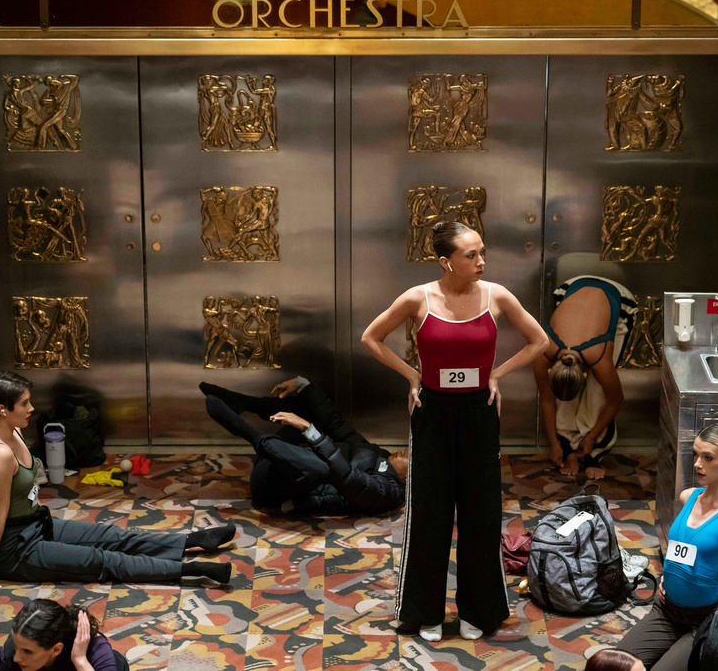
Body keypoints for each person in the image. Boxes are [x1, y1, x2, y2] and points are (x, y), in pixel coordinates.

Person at [361, 220, 547, 641]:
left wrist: (496, 374)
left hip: (479, 413)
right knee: (431, 512)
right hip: (433, 412)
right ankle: (424, 612)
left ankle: (478, 612)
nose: (481, 261)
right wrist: (412, 376)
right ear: (446, 262)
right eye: (471, 255)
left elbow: (539, 341)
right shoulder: (417, 297)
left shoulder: (497, 295)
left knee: (481, 514)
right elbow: (371, 338)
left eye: (483, 253)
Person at [0, 371, 235, 589]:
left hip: (37, 524)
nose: (31, 408)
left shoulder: (15, 432)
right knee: (102, 560)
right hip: (17, 550)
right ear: (3, 409)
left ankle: (191, 541)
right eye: (24, 403)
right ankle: (192, 571)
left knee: (111, 536)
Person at [616, 419, 718, 670]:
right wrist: (666, 577)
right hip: (665, 610)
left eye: (708, 458)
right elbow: (680, 551)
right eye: (696, 455)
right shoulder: (688, 498)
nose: (697, 464)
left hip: (706, 620)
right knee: (615, 666)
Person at [200, 377, 407, 515]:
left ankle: (247, 432)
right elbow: (339, 426)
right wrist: (304, 386)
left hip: (277, 485)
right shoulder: (379, 455)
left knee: (320, 467)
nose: (406, 452)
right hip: (281, 456)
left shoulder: (388, 492)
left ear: (410, 477)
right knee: (304, 409)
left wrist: (309, 430)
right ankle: (241, 403)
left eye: (410, 458)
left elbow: (345, 477)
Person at [532, 275, 638, 479]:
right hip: (571, 286)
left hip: (619, 297)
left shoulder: (599, 357)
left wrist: (592, 436)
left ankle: (591, 454)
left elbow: (616, 401)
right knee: (561, 393)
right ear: (549, 370)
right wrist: (553, 443)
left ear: (585, 373)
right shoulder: (543, 351)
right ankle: (567, 446)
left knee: (598, 392)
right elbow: (546, 399)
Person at [0, 599, 128, 671]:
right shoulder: (14, 652)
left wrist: (80, 662)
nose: (17, 657)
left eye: (27, 651)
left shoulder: (96, 651)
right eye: (16, 646)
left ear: (56, 649)